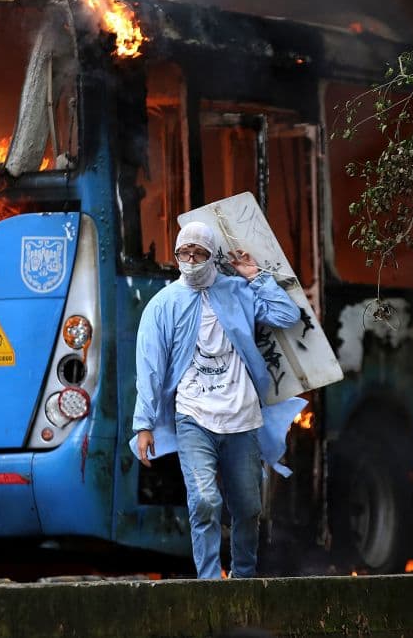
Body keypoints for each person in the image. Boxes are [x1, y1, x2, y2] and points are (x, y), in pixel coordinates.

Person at [132, 221, 301, 579]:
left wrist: (255, 276)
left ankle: (243, 578)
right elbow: (149, 366)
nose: (190, 259)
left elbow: (288, 315)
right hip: (194, 417)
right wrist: (143, 424)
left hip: (242, 418)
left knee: (249, 507)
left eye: (198, 252)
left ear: (211, 256)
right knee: (206, 501)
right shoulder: (163, 305)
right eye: (184, 252)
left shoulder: (237, 291)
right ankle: (209, 581)